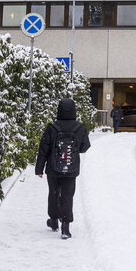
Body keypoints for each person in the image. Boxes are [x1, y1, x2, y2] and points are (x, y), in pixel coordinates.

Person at [36, 98, 91, 239]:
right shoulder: (80, 127)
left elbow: (44, 149)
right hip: (71, 168)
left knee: (53, 193)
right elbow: (85, 147)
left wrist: (39, 169)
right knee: (67, 195)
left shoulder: (52, 127)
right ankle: (65, 227)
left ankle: (54, 221)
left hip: (53, 169)